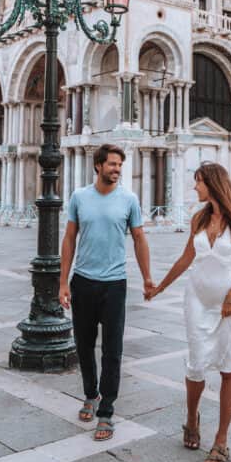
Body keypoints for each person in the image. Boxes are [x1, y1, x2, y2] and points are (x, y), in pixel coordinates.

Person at [145, 162, 231, 462]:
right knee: (196, 364)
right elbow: (186, 258)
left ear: (213, 183)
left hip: (225, 303)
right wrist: (160, 287)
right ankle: (191, 419)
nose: (195, 188)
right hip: (195, 299)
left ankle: (221, 440)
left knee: (228, 366)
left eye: (198, 182)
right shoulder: (199, 218)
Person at [59, 143, 153, 441]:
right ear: (98, 165)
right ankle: (91, 394)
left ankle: (107, 411)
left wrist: (148, 278)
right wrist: (63, 283)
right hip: (83, 281)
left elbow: (139, 239)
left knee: (113, 351)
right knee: (84, 346)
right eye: (112, 164)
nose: (117, 170)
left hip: (115, 284)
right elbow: (69, 238)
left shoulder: (129, 199)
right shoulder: (79, 197)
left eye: (120, 165)